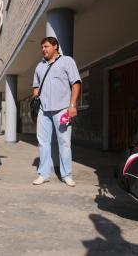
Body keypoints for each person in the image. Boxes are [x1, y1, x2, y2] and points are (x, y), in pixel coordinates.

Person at [32, 36, 81, 187]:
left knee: (64, 142)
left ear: (55, 47)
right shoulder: (39, 66)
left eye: (46, 46)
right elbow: (36, 87)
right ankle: (43, 174)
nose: (43, 49)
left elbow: (76, 84)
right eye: (42, 47)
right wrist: (36, 101)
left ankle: (66, 175)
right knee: (43, 142)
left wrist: (72, 105)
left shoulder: (67, 61)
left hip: (62, 109)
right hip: (43, 110)